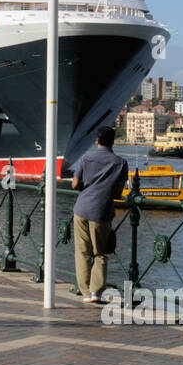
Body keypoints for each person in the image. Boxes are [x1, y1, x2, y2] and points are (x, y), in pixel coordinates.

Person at [68, 126, 128, 304]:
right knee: (100, 253)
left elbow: (75, 184)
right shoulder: (120, 163)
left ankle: (85, 292)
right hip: (101, 211)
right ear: (113, 141)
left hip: (81, 208)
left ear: (97, 140)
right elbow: (118, 192)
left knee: (82, 252)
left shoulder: (86, 158)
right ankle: (96, 292)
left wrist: (86, 188)